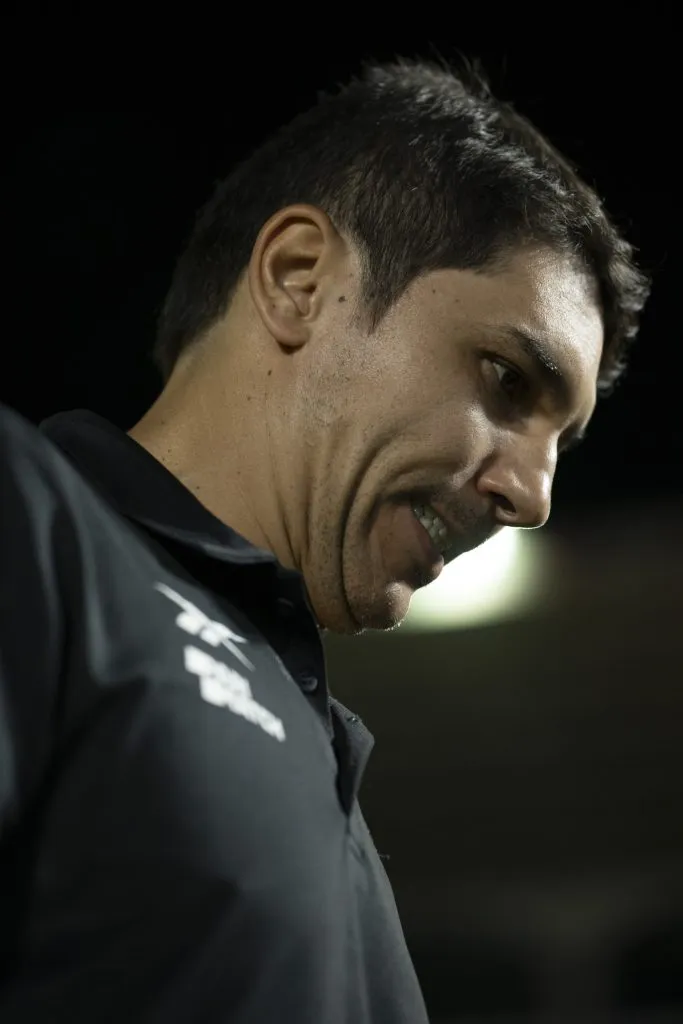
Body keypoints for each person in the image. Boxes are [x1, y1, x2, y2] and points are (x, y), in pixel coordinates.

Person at [0, 56, 649, 1023]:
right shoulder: (35, 526)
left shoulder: (316, 757)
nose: (534, 495)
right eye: (507, 380)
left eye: (562, 441)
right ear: (300, 281)